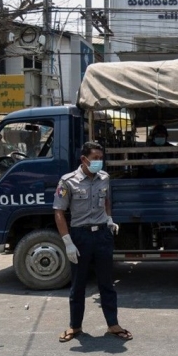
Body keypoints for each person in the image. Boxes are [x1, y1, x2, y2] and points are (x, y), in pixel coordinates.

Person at [53, 141, 132, 343]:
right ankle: (75, 326)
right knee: (78, 285)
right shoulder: (68, 181)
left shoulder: (104, 178)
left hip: (102, 236)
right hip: (80, 236)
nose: (98, 162)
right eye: (95, 158)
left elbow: (106, 201)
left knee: (107, 283)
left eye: (100, 158)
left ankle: (113, 324)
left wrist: (109, 219)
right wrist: (67, 242)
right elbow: (59, 212)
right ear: (84, 159)